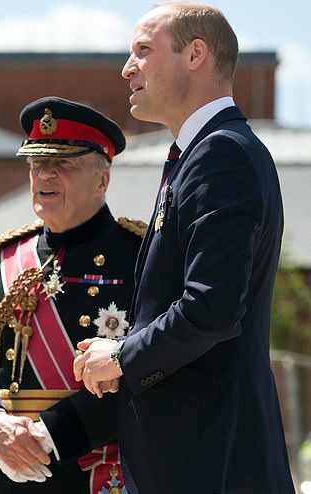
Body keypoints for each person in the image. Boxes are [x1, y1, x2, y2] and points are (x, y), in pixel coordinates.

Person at [73, 3, 295, 493]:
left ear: (196, 54)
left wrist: (122, 357)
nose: (127, 68)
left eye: (143, 51)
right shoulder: (199, 154)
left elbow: (210, 309)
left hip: (210, 462)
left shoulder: (221, 155)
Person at [0, 96, 145, 494]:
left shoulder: (139, 257)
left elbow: (148, 372)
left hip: (98, 472)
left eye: (64, 165)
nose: (46, 176)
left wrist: (49, 434)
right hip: (12, 472)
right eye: (38, 164)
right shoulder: (4, 260)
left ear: (103, 180)